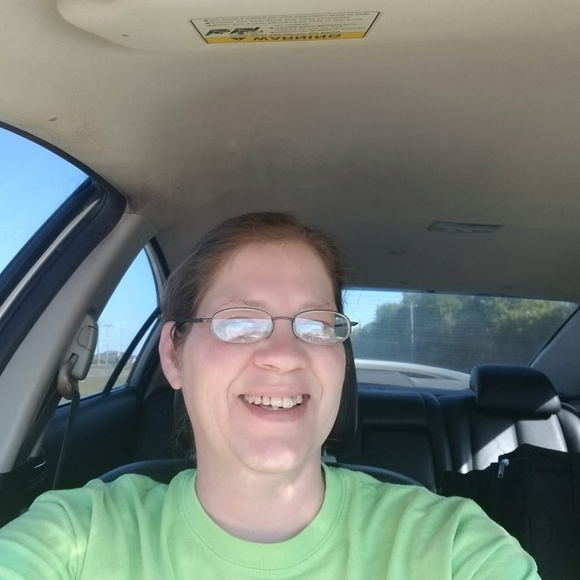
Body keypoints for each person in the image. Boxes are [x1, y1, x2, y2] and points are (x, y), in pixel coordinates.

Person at [0, 212, 540, 579]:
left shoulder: (453, 547)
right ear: (174, 355)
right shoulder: (78, 535)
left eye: (317, 325)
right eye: (239, 322)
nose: (284, 354)